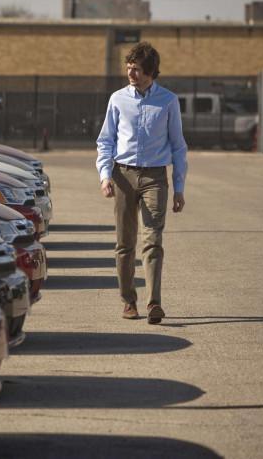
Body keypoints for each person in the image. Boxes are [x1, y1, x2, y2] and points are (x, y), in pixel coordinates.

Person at [96, 41, 188, 324]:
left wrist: (179, 187)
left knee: (153, 240)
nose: (130, 73)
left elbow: (178, 147)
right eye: (128, 68)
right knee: (125, 244)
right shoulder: (117, 99)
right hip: (122, 176)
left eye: (136, 69)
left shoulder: (168, 101)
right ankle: (128, 301)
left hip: (155, 178)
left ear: (150, 72)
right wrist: (105, 175)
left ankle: (154, 303)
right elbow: (106, 140)